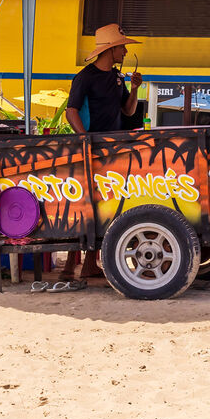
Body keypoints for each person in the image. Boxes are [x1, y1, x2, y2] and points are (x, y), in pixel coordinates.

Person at [60, 23, 143, 282]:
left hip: (112, 149)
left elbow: (128, 111)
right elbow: (71, 110)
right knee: (84, 205)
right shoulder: (85, 77)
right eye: (123, 47)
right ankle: (72, 265)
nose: (126, 51)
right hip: (90, 149)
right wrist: (85, 139)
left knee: (103, 205)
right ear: (111, 49)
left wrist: (136, 88)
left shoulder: (117, 78)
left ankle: (89, 264)